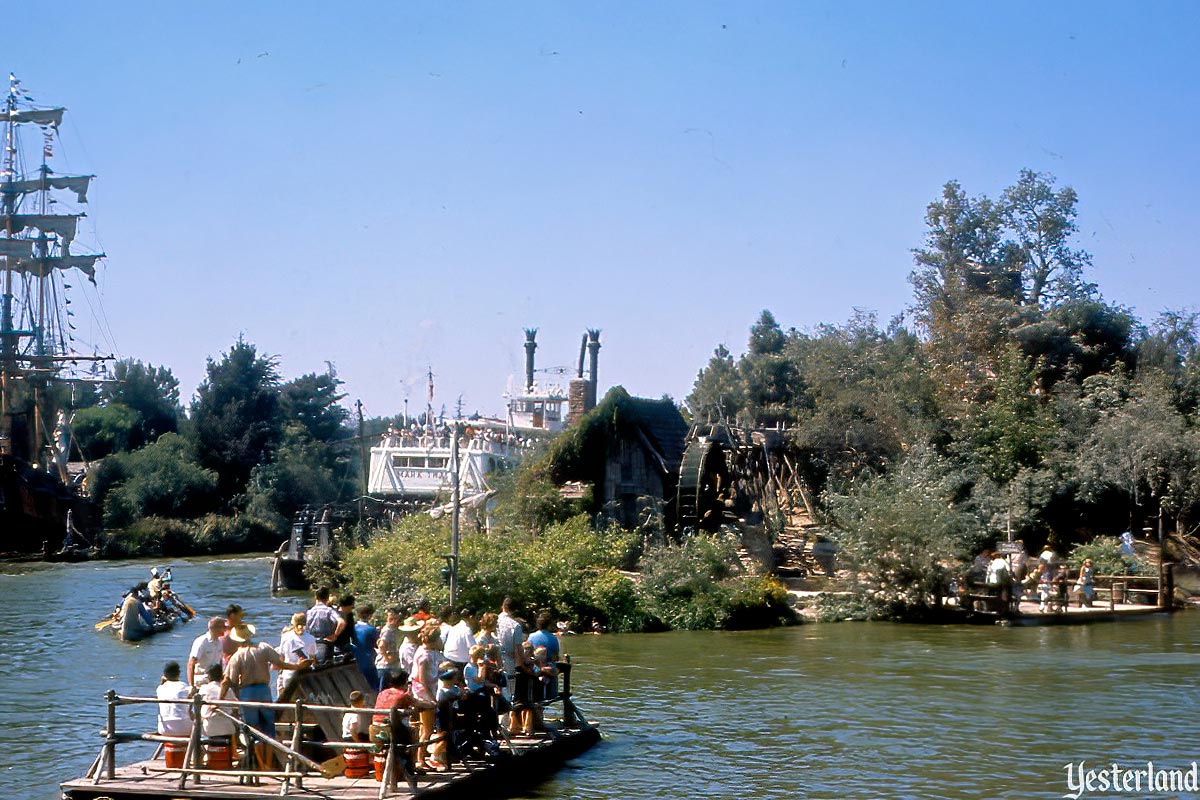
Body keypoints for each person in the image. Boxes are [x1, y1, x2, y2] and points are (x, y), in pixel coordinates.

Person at [222, 624, 311, 770]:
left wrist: (219, 699)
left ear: (237, 640)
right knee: (268, 729)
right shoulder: (263, 647)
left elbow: (227, 680)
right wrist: (297, 667)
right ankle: (269, 763)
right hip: (264, 690)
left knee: (252, 730)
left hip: (247, 692)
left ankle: (259, 765)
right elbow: (280, 663)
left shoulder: (237, 656)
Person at [410, 624, 442, 772]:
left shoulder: (429, 651)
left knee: (425, 728)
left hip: (430, 689)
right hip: (423, 693)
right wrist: (432, 699)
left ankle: (421, 757)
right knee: (427, 729)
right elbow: (422, 680)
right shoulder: (424, 656)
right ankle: (420, 759)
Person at [277, 612, 317, 696]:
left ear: (293, 623)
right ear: (305, 623)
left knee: (289, 699)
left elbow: (281, 656)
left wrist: (280, 672)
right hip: (305, 674)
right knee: (306, 698)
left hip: (288, 674)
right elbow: (313, 658)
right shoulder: (311, 638)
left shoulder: (285, 637)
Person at [198, 664, 238, 743]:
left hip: (209, 728)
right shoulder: (228, 690)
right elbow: (236, 707)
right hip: (227, 727)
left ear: (208, 676)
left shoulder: (204, 689)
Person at [156, 661, 194, 738]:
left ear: (165, 675)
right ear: (179, 673)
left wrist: (162, 681)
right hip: (184, 728)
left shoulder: (160, 688)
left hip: (164, 728)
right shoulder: (184, 687)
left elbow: (161, 686)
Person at [187, 616, 227, 686]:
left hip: (215, 680)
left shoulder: (220, 642)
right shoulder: (202, 641)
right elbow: (191, 663)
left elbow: (220, 661)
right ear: (215, 628)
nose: (226, 629)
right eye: (224, 627)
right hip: (201, 679)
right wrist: (191, 685)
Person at [305, 588, 340, 665]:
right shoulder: (329, 611)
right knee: (325, 665)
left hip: (310, 642)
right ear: (327, 598)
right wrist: (335, 635)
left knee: (312, 665)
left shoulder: (309, 612)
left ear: (315, 597)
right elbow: (341, 622)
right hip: (325, 643)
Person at [353, 604, 379, 688]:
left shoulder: (354, 628)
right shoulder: (371, 629)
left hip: (356, 659)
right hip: (369, 660)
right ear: (369, 616)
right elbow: (378, 645)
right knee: (374, 685)